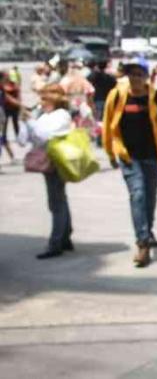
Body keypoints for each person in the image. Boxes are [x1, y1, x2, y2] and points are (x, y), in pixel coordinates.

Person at [102, 57, 157, 268]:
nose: (135, 78)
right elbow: (108, 126)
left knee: (149, 199)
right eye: (131, 73)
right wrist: (111, 153)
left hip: (153, 158)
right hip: (128, 157)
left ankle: (147, 230)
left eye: (139, 74)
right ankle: (143, 243)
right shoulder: (117, 96)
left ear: (147, 77)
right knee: (137, 195)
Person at [18, 84, 74, 259]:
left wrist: (30, 121)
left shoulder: (62, 115)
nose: (40, 102)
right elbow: (24, 139)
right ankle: (65, 236)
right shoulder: (44, 115)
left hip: (56, 161)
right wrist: (25, 122)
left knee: (56, 202)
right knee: (59, 199)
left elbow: (44, 135)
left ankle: (56, 242)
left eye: (44, 98)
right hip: (47, 160)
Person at [88, 60, 119, 145]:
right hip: (107, 100)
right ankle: (103, 138)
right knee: (105, 120)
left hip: (97, 100)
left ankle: (99, 139)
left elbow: (88, 83)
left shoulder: (93, 76)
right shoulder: (109, 77)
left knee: (98, 120)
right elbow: (115, 86)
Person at [1, 69, 22, 161]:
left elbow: (8, 97)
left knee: (3, 136)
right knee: (2, 135)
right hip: (4, 111)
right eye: (6, 76)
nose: (8, 78)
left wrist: (20, 105)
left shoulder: (3, 87)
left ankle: (12, 156)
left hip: (4, 112)